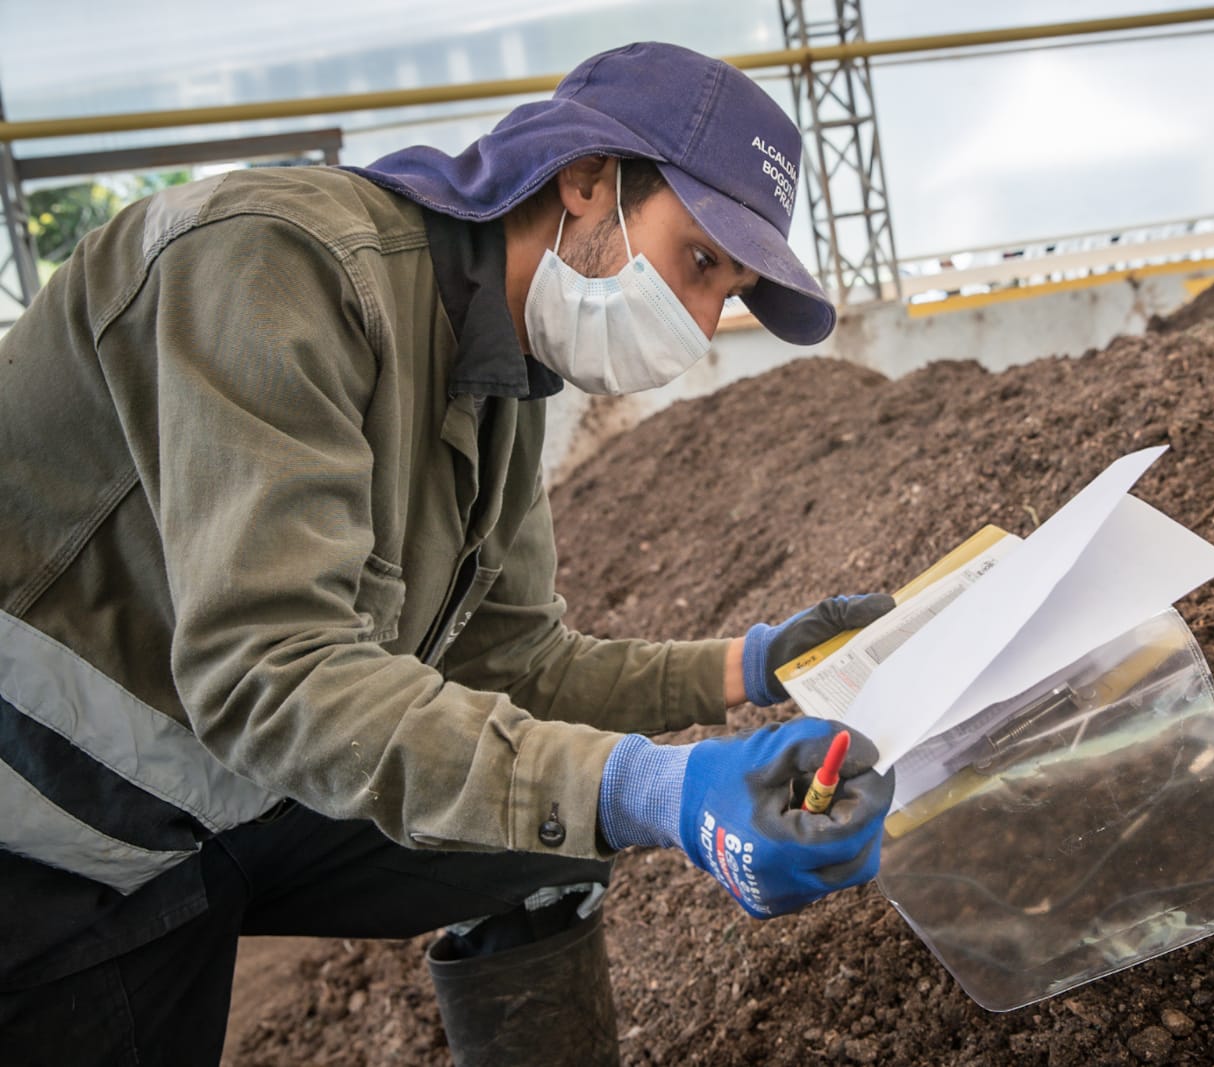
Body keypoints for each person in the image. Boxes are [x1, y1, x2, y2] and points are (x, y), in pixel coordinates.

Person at [0, 41, 897, 1066]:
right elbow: (270, 672)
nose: (698, 325)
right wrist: (652, 788)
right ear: (586, 180)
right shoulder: (275, 265)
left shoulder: (500, 374)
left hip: (221, 801)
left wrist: (751, 665)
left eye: (724, 291)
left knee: (537, 842)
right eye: (698, 262)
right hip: (44, 853)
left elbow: (514, 664)